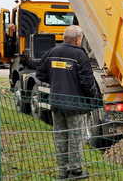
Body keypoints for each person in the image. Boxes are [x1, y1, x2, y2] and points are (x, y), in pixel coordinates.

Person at [37, 25, 96, 180]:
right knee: (75, 138)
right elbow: (87, 82)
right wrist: (92, 97)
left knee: (60, 137)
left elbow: (40, 74)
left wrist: (57, 80)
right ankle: (76, 171)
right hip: (75, 105)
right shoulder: (80, 55)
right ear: (78, 39)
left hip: (56, 102)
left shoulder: (52, 52)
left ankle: (62, 172)